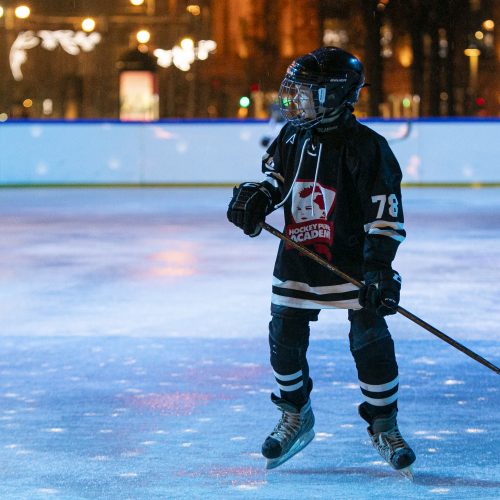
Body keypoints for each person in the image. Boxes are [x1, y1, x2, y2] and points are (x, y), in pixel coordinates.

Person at [227, 46, 416, 479]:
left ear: (335, 96)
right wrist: (258, 198)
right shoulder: (294, 135)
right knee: (284, 337)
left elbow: (384, 217)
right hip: (298, 257)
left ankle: (384, 424)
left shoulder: (369, 149)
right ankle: (296, 414)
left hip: (352, 263)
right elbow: (278, 181)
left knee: (370, 339)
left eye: (305, 93)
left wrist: (380, 270)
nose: (293, 101)